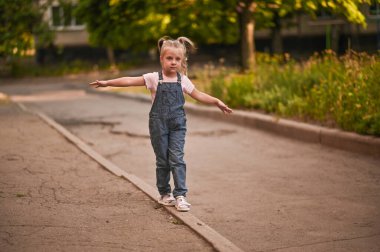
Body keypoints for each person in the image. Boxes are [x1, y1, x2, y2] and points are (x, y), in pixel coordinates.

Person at [89, 36, 232, 212]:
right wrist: (107, 82)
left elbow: (199, 95)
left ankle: (180, 195)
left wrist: (217, 101)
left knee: (177, 158)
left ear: (182, 61)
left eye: (177, 59)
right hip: (158, 125)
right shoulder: (153, 78)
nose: (173, 62)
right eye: (169, 58)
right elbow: (129, 80)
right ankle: (165, 194)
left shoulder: (183, 80)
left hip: (178, 125)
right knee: (163, 161)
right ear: (161, 59)